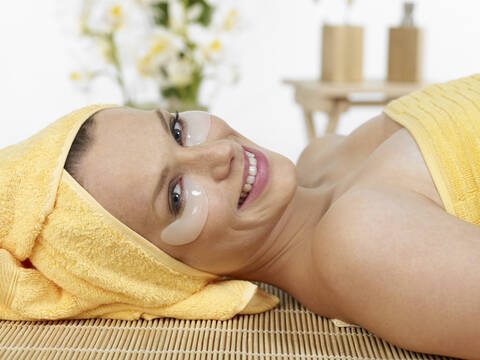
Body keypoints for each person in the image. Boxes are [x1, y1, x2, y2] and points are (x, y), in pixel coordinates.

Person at [62, 74, 480, 360]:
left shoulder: (320, 159)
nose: (219, 154)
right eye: (175, 196)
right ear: (167, 272)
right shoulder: (362, 242)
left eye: (176, 131)